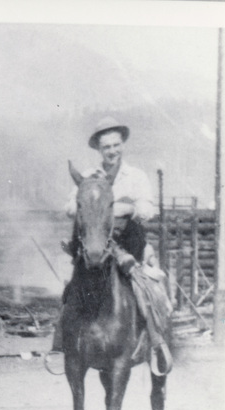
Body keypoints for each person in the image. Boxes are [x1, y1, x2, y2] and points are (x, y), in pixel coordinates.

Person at [50, 117, 171, 373]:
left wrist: (121, 207)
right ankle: (62, 344)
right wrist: (85, 201)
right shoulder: (87, 177)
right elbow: (69, 207)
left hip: (128, 245)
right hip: (95, 248)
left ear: (122, 145)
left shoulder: (136, 176)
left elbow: (148, 209)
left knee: (145, 289)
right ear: (98, 150)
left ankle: (157, 341)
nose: (112, 151)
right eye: (106, 147)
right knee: (71, 291)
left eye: (116, 145)